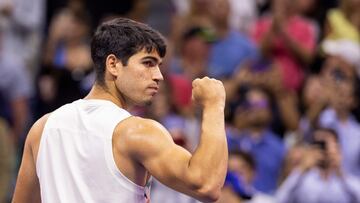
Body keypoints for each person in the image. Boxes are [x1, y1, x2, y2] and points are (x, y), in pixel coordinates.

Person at [12, 18, 228, 202]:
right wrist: (214, 105)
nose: (158, 75)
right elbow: (206, 184)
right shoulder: (137, 132)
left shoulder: (42, 128)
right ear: (113, 64)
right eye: (148, 63)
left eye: (159, 65)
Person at [276, 128, 360, 203]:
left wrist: (340, 172)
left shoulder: (346, 181)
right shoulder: (303, 179)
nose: (323, 149)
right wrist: (302, 169)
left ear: (338, 148)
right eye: (319, 145)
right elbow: (280, 199)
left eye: (326, 145)